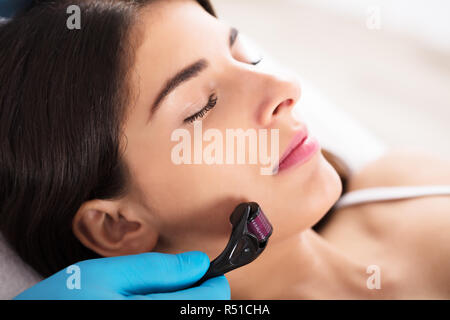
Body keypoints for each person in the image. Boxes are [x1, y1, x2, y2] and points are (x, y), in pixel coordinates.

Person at [0, 0, 449, 300]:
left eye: (244, 57)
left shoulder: (399, 181)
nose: (285, 87)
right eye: (200, 107)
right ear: (117, 226)